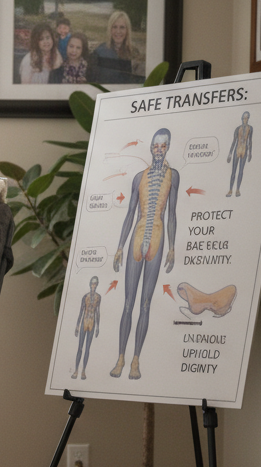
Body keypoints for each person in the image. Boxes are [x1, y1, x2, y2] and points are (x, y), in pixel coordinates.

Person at [110, 128, 178, 380]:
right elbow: (130, 212)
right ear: (151, 148)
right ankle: (120, 358)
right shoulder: (139, 177)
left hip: (158, 238)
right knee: (128, 303)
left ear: (167, 148)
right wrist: (119, 246)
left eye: (163, 146)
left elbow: (172, 213)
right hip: (137, 238)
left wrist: (172, 247)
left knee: (146, 304)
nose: (159, 150)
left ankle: (135, 361)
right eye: (156, 146)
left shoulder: (173, 176)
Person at [89, 10, 142, 84]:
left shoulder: (134, 53)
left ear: (127, 30)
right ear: (110, 29)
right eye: (114, 27)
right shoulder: (99, 52)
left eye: (122, 27)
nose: (118, 31)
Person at [72, 275, 100, 380]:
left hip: (92, 323)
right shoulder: (85, 297)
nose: (93, 285)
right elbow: (81, 311)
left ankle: (83, 371)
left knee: (87, 348)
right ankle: (76, 370)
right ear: (90, 284)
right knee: (80, 347)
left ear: (97, 285)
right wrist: (77, 325)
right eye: (92, 283)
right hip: (84, 322)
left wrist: (98, 327)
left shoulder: (98, 297)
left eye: (95, 283)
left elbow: (98, 312)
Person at [227, 111, 253, 197]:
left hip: (244, 150)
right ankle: (230, 189)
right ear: (242, 118)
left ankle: (237, 189)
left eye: (246, 118)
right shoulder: (238, 128)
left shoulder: (250, 128)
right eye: (244, 118)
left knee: (241, 171)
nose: (245, 119)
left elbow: (250, 141)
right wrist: (230, 153)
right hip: (237, 149)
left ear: (248, 119)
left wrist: (250, 152)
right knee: (233, 171)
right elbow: (234, 141)